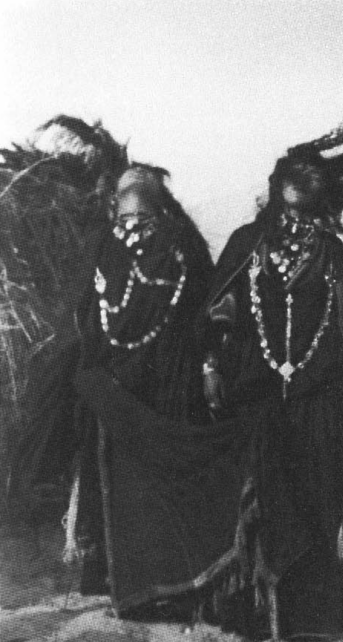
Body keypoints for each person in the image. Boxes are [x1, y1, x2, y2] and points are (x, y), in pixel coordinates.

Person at [201, 147, 343, 639]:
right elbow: (216, 314)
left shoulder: (331, 252)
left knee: (318, 496)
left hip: (319, 393)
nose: (303, 180)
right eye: (295, 171)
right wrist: (212, 367)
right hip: (256, 390)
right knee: (262, 496)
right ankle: (255, 614)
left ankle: (314, 618)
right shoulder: (248, 242)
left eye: (314, 174)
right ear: (275, 182)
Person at [69, 164, 216, 610]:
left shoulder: (180, 243)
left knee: (161, 480)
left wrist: (206, 365)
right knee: (118, 480)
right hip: (115, 380)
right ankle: (122, 582)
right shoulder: (100, 243)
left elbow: (200, 310)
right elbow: (84, 311)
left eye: (141, 182)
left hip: (168, 378)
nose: (131, 186)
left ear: (157, 196)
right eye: (124, 185)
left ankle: (175, 581)